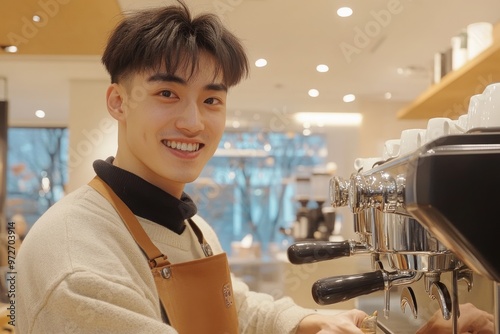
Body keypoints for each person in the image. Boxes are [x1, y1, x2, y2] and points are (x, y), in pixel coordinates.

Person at [14, 2, 497, 334]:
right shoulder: (76, 259)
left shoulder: (187, 224)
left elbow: (234, 308)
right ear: (118, 101)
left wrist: (306, 321)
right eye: (167, 94)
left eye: (211, 99)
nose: (193, 121)